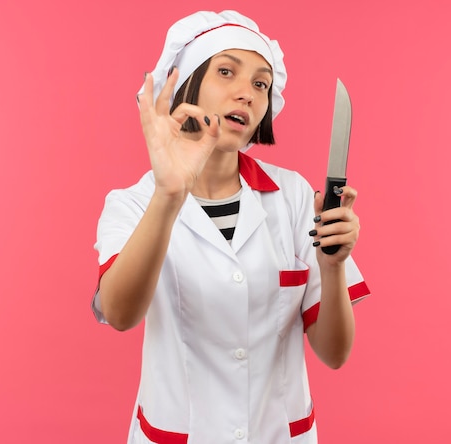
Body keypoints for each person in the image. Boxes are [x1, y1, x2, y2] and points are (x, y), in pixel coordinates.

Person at [91, 10, 370, 444]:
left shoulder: (296, 197)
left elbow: (334, 355)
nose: (248, 93)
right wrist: (169, 194)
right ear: (189, 85)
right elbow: (119, 314)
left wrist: (331, 266)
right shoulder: (131, 204)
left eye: (261, 83)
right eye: (226, 72)